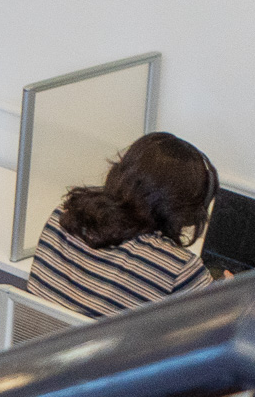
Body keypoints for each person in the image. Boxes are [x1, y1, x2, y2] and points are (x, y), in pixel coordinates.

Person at [26, 131, 220, 318]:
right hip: (106, 353)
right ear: (189, 208)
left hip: (35, 348)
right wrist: (229, 293)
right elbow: (225, 330)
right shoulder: (178, 268)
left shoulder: (64, 217)